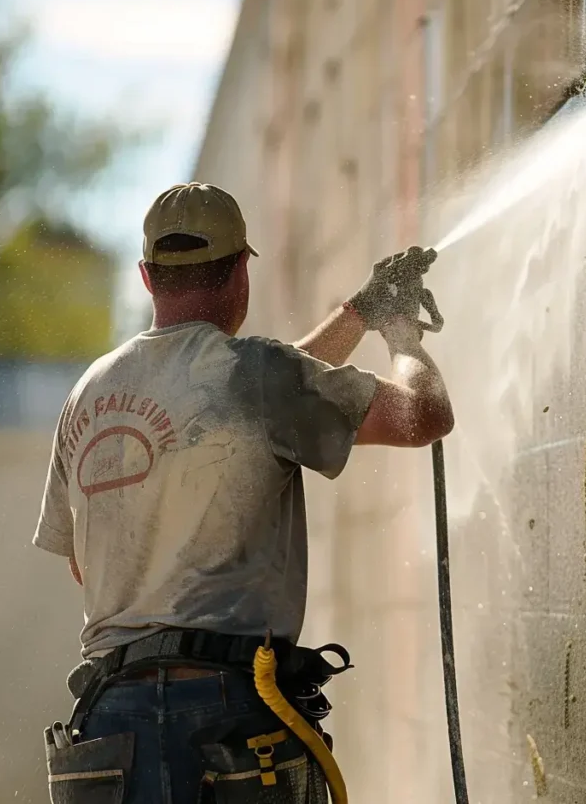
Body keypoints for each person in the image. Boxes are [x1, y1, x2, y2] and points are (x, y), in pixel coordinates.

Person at [33, 182, 453, 804]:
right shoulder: (255, 377)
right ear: (240, 274)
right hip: (228, 716)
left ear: (148, 278)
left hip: (108, 727)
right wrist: (399, 335)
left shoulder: (89, 393)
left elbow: (82, 563)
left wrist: (360, 310)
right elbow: (422, 415)